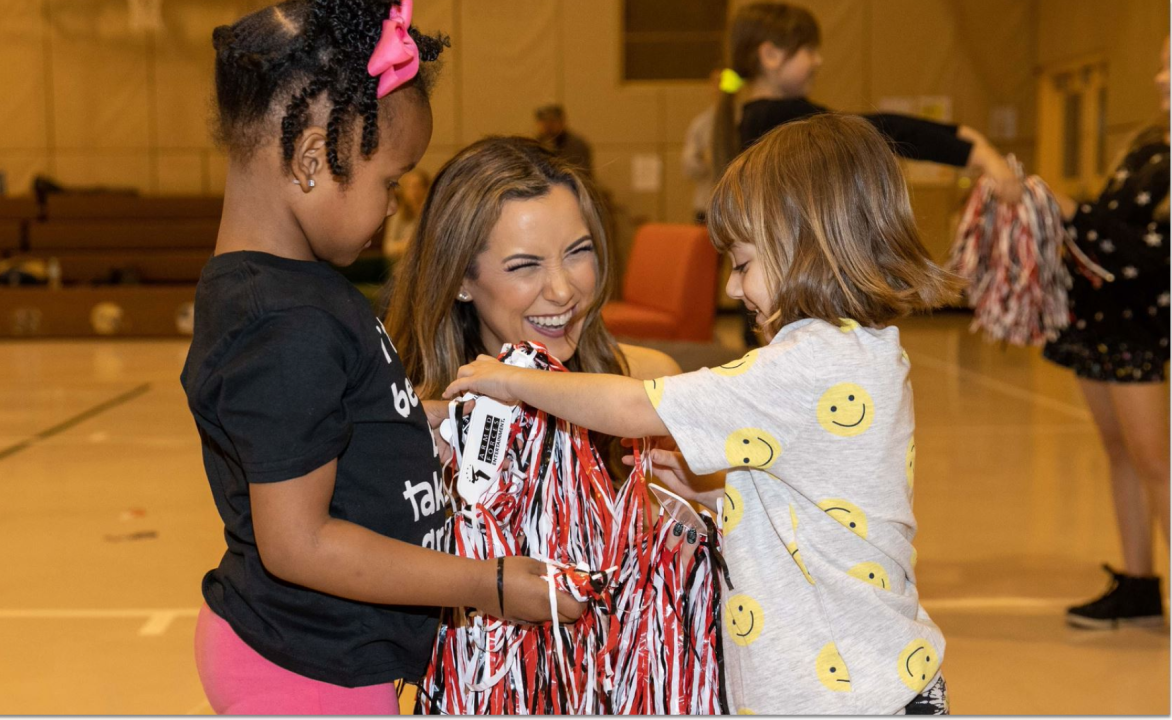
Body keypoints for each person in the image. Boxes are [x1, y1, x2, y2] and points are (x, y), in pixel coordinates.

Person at [447, 115, 960, 715]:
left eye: (743, 265)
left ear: (805, 247)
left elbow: (634, 404)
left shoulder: (807, 365)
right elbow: (815, 510)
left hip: (852, 698)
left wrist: (516, 378)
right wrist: (720, 498)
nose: (736, 289)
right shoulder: (857, 355)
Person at [180, 2, 581, 715]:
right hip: (304, 671)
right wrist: (487, 583)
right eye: (391, 182)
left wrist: (416, 422)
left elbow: (333, 428)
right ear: (311, 160)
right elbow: (298, 544)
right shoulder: (283, 323)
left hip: (319, 658)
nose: (395, 206)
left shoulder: (293, 292)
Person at [384, 136, 680, 470]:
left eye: (579, 251)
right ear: (460, 280)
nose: (562, 291)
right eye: (525, 265)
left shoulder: (649, 385)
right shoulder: (414, 417)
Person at [1042, 36, 1171, 630]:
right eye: (1162, 63)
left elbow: (1150, 253)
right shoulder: (1147, 145)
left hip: (1146, 331)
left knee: (1159, 465)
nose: (1162, 78)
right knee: (1120, 453)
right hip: (1105, 325)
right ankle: (1140, 583)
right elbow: (1107, 234)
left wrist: (1072, 212)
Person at [712, 2, 1022, 206]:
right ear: (771, 55)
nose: (818, 60)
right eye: (809, 50)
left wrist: (966, 140)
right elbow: (880, 130)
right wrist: (976, 151)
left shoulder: (759, 117)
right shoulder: (779, 118)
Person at [682, 71, 723, 224]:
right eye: (718, 82)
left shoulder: (744, 119)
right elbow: (688, 166)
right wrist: (705, 160)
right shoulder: (700, 125)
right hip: (706, 204)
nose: (722, 87)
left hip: (739, 206)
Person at [535, 104, 595, 179]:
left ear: (562, 122)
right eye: (544, 122)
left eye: (552, 121)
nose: (549, 126)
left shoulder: (576, 145)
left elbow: (581, 174)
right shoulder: (534, 144)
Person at [382, 167, 430, 261]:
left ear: (426, 189)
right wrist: (407, 246)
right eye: (410, 187)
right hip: (402, 266)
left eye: (418, 186)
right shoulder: (397, 216)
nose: (414, 192)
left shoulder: (431, 215)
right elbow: (388, 248)